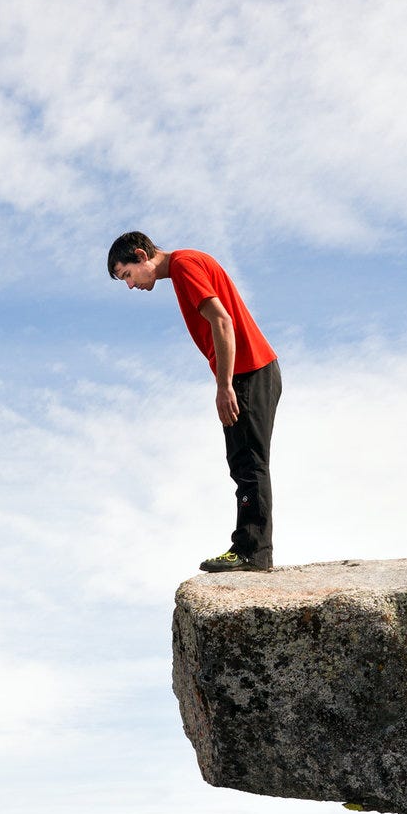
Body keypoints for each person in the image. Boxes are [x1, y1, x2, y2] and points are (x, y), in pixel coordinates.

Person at [107, 233, 281, 572]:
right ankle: (251, 549)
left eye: (127, 275)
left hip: (249, 371)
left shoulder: (186, 265)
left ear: (142, 256)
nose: (130, 286)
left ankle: (251, 552)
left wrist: (224, 385)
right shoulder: (188, 263)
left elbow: (222, 321)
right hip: (253, 370)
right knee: (242, 461)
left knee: (249, 463)